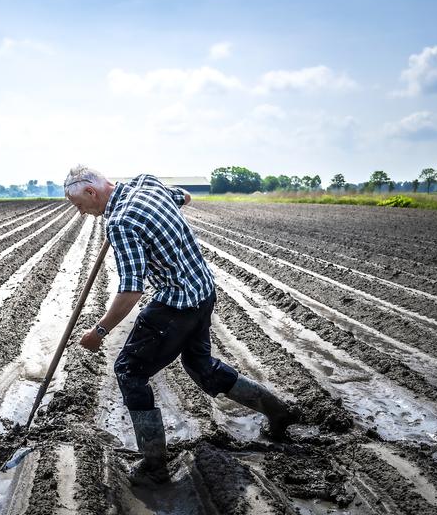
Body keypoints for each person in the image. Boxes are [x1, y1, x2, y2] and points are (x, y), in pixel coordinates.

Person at [64, 166, 300, 485]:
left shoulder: (119, 222)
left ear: (91, 192)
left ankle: (154, 466)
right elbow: (184, 196)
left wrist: (100, 331)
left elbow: (132, 289)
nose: (83, 213)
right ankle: (277, 411)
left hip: (176, 303)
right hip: (203, 291)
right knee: (200, 365)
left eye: (79, 205)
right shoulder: (146, 183)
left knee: (129, 372)